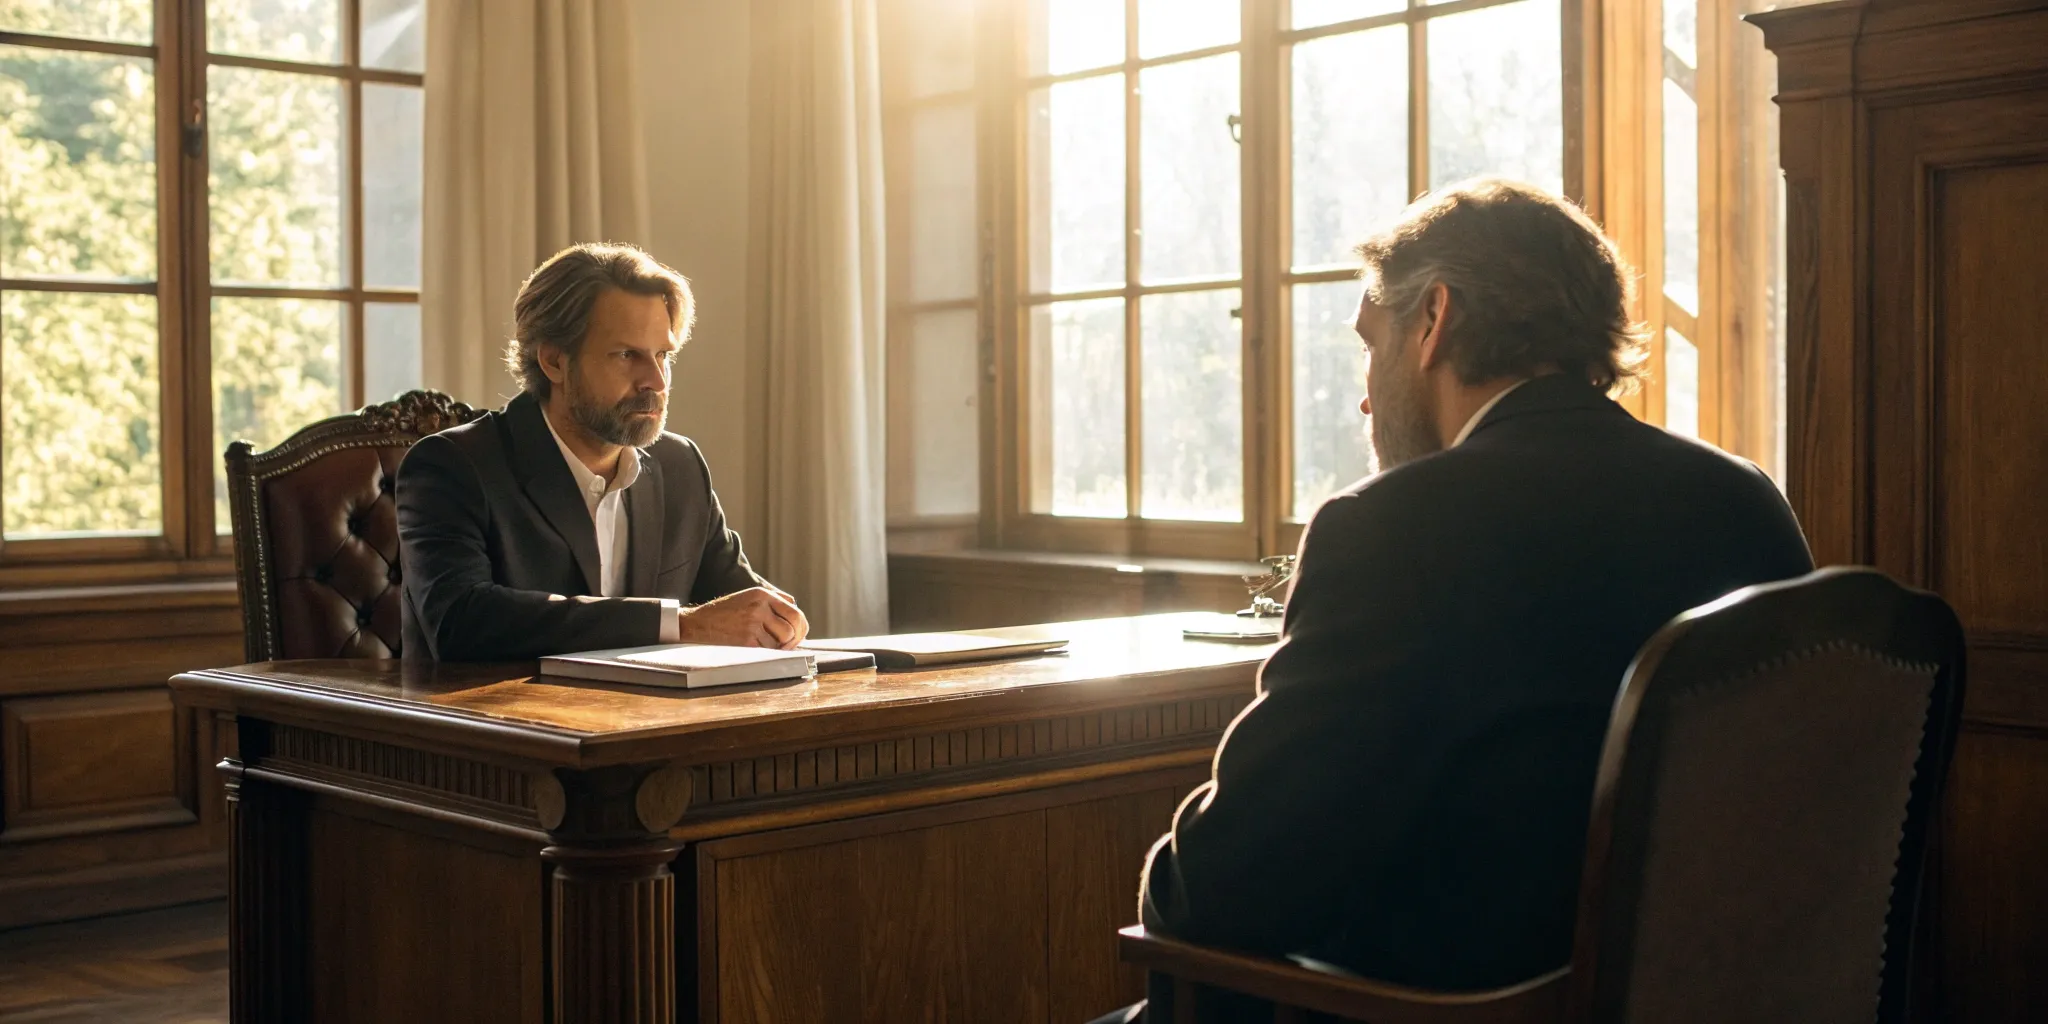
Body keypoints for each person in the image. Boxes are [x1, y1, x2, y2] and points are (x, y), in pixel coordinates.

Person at [1117, 180, 1813, 1014]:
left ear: (1433, 319)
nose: (1366, 394)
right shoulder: (1746, 502)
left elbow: (1215, 893)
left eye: (1370, 342)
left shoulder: (1394, 529)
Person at [397, 243, 807, 661]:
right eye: (627, 355)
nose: (656, 381)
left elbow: (739, 604)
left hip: (648, 705)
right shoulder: (452, 466)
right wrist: (680, 624)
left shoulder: (679, 465)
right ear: (554, 361)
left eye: (663, 355)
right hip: (501, 703)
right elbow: (459, 621)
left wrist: (778, 622)